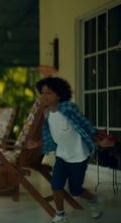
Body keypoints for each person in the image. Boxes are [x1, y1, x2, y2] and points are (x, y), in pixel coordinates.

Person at [26, 77, 114, 223]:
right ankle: (60, 214)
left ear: (59, 95)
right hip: (62, 156)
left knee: (76, 190)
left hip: (79, 156)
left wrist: (99, 141)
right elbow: (50, 137)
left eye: (48, 93)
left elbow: (85, 126)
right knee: (56, 185)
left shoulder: (68, 108)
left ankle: (93, 199)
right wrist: (36, 144)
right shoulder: (47, 114)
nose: (44, 96)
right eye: (42, 93)